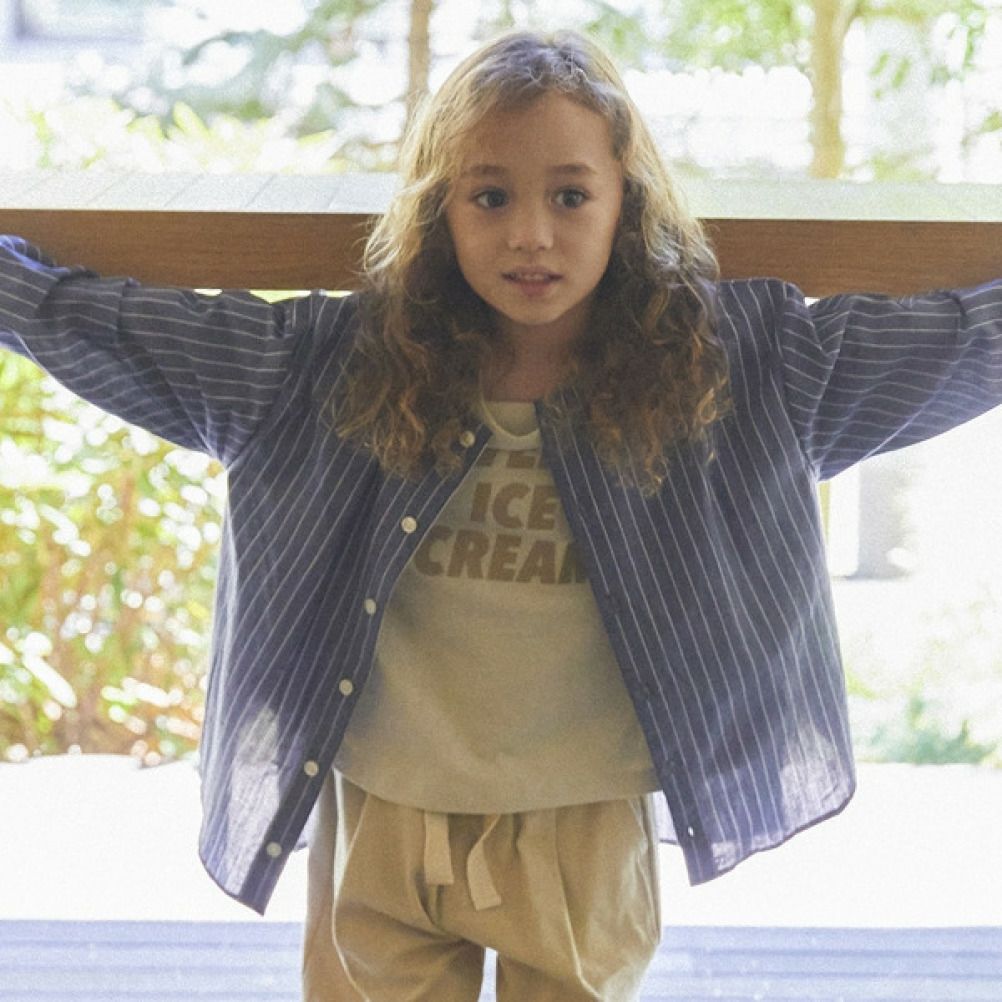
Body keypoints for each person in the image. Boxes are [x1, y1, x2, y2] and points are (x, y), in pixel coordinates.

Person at [1, 26, 1001, 1002]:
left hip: (584, 816)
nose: (531, 234)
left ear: (625, 200)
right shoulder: (329, 368)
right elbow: (111, 326)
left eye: (570, 195)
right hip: (382, 808)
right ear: (440, 208)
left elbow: (955, 342)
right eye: (489, 196)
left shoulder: (734, 370)